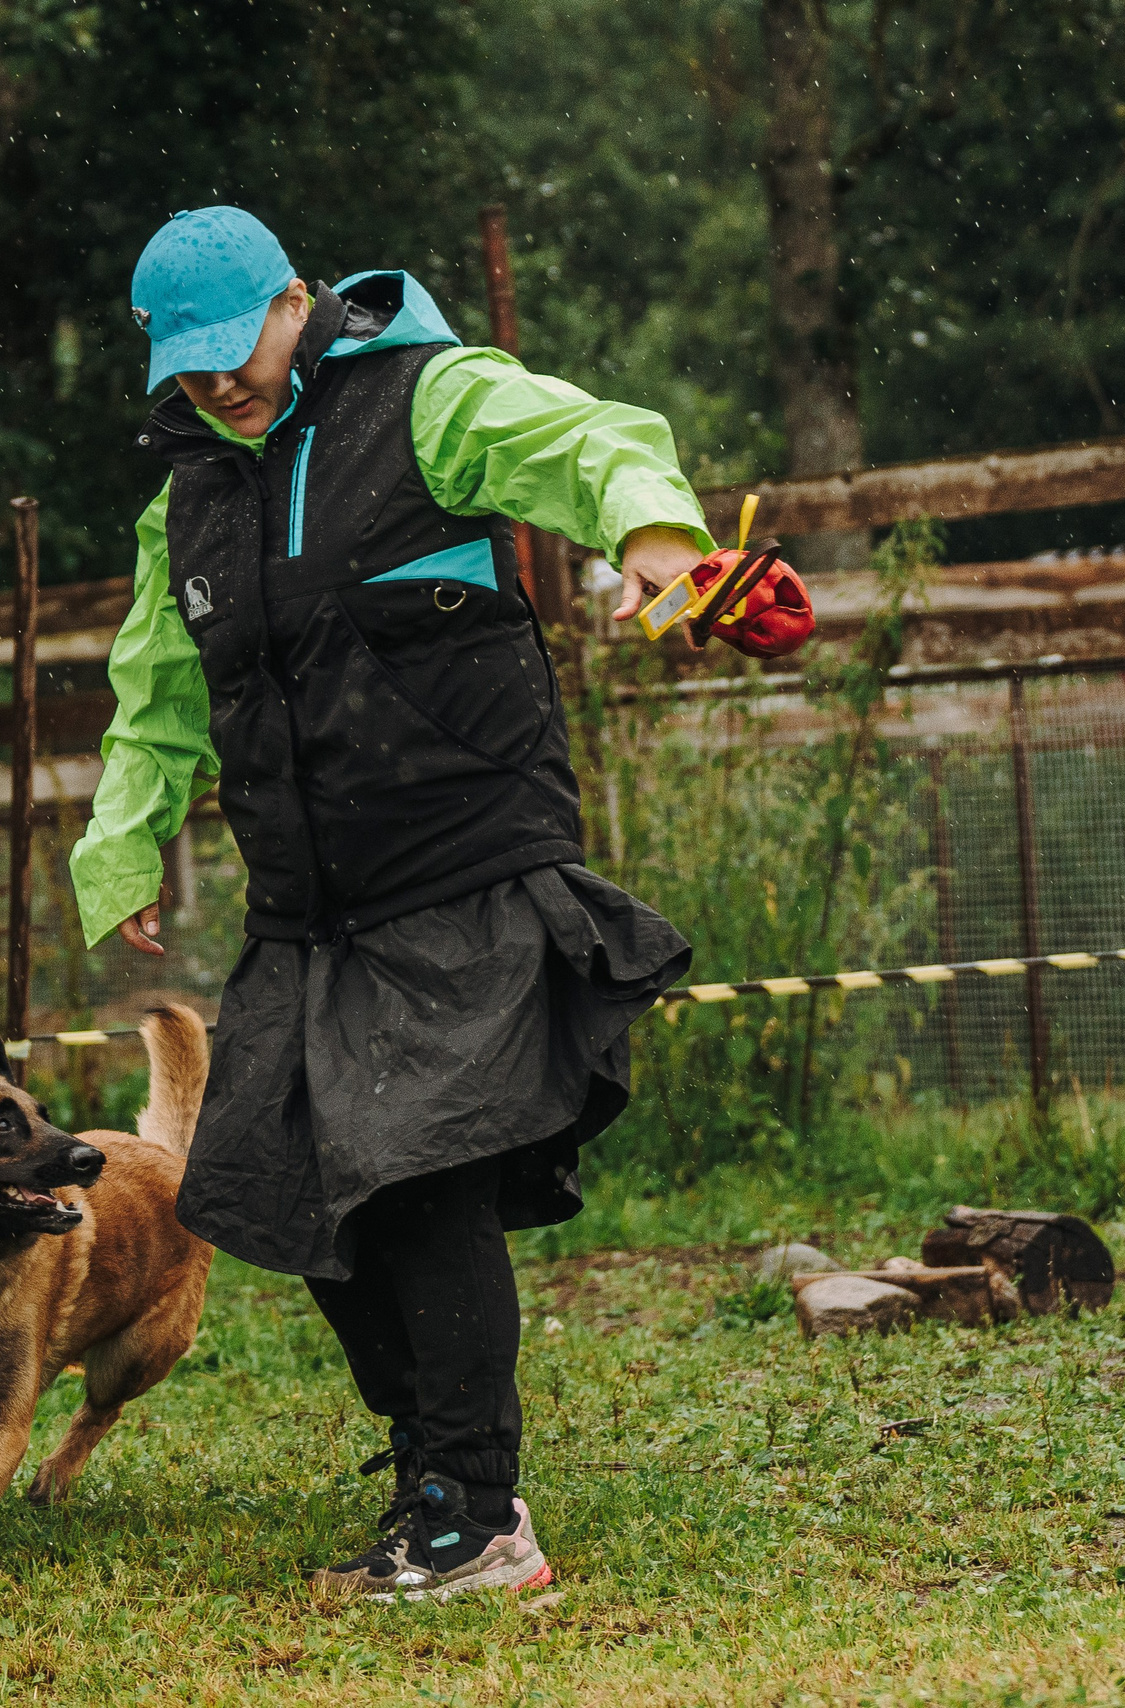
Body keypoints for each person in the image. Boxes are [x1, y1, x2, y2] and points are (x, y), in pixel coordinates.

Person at [66, 207, 812, 1602]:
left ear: (300, 300)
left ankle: (477, 1516)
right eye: (194, 366)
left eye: (244, 347)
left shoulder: (431, 400)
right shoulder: (189, 505)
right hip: (310, 905)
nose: (223, 382)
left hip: (460, 860)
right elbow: (157, 692)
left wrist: (656, 540)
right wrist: (124, 852)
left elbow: (591, 442)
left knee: (416, 1172)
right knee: (293, 1191)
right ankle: (433, 1474)